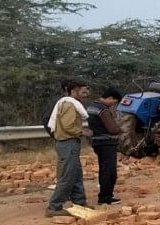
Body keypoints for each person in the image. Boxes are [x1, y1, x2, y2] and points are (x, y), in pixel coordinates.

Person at [46, 80, 91, 217]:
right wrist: (82, 132)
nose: (85, 94)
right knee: (67, 176)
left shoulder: (68, 103)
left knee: (76, 174)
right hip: (68, 143)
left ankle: (79, 203)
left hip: (69, 143)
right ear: (73, 91)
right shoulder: (69, 105)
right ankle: (54, 207)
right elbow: (68, 126)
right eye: (82, 91)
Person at [87, 88, 124, 205]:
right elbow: (112, 129)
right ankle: (105, 197)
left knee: (103, 170)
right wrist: (121, 129)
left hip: (97, 143)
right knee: (109, 171)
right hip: (107, 143)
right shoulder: (104, 111)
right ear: (110, 98)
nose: (114, 105)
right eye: (114, 102)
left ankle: (104, 195)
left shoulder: (91, 107)